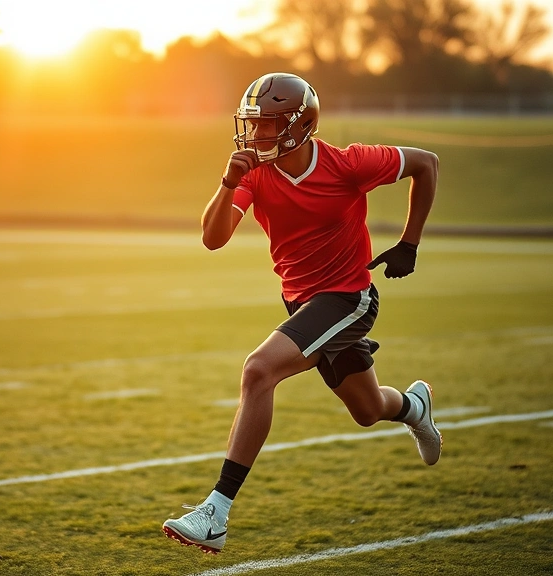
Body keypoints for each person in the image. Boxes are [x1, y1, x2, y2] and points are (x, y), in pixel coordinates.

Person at [162, 72, 442, 555]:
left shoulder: (348, 163)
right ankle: (415, 408)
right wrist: (227, 183)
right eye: (253, 123)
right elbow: (214, 237)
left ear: (298, 124)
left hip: (346, 298)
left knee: (258, 370)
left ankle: (216, 512)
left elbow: (427, 164)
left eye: (267, 124)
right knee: (368, 409)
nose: (256, 134)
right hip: (303, 302)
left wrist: (409, 244)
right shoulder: (252, 171)